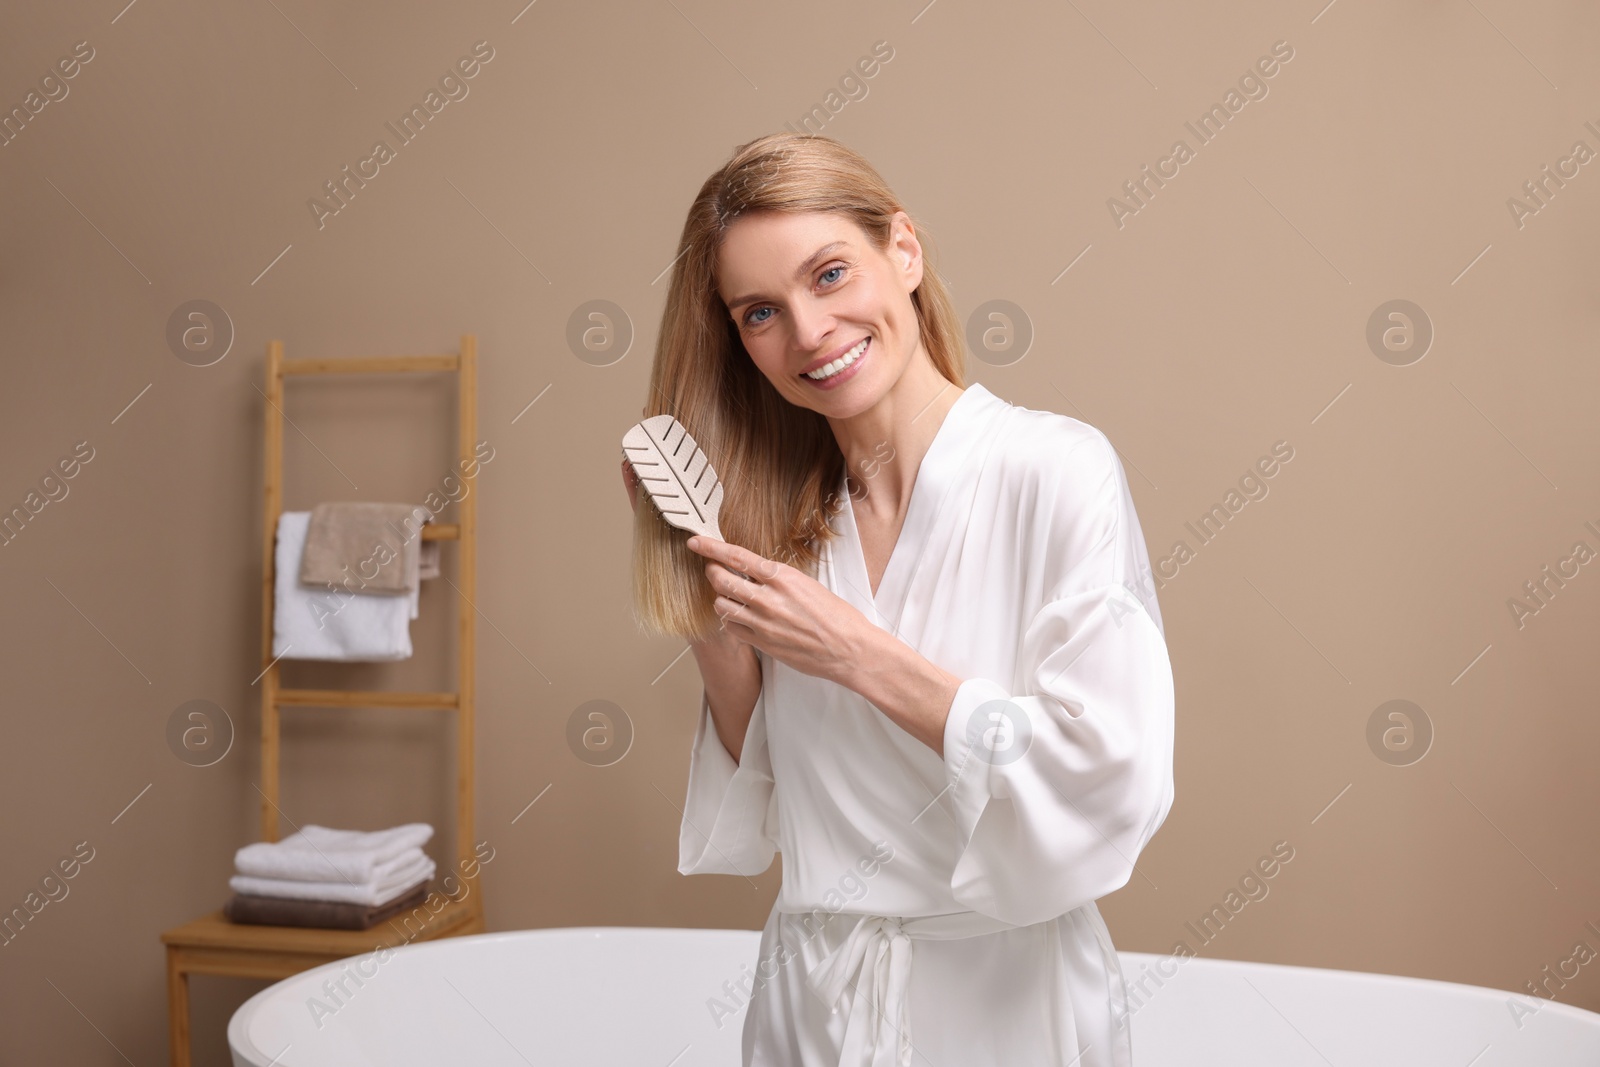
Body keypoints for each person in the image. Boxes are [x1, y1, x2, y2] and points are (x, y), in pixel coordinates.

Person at [622, 132, 1175, 1067]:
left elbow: (1112, 770)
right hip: (812, 1000)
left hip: (1006, 1005)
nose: (807, 333)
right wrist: (717, 630)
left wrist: (856, 654)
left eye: (831, 273)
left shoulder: (1053, 470)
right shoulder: (786, 519)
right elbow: (764, 810)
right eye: (761, 312)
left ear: (904, 251)